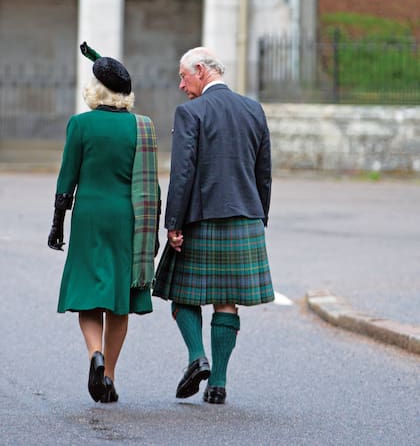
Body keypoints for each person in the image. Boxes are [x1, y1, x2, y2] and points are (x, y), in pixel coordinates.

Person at [153, 46, 274, 404]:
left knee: (180, 293)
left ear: (201, 70)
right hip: (246, 217)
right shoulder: (254, 109)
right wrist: (259, 215)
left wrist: (173, 223)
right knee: (227, 302)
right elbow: (263, 172)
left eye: (183, 76)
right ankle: (218, 383)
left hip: (202, 219)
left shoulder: (192, 112)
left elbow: (183, 173)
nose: (180, 85)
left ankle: (197, 357)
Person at [48, 42, 160, 403]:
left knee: (89, 297)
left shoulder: (80, 125)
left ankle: (94, 353)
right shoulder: (141, 128)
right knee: (120, 300)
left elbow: (67, 179)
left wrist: (57, 224)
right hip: (127, 219)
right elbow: (152, 187)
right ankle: (109, 375)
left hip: (90, 216)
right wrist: (153, 232)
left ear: (94, 90)